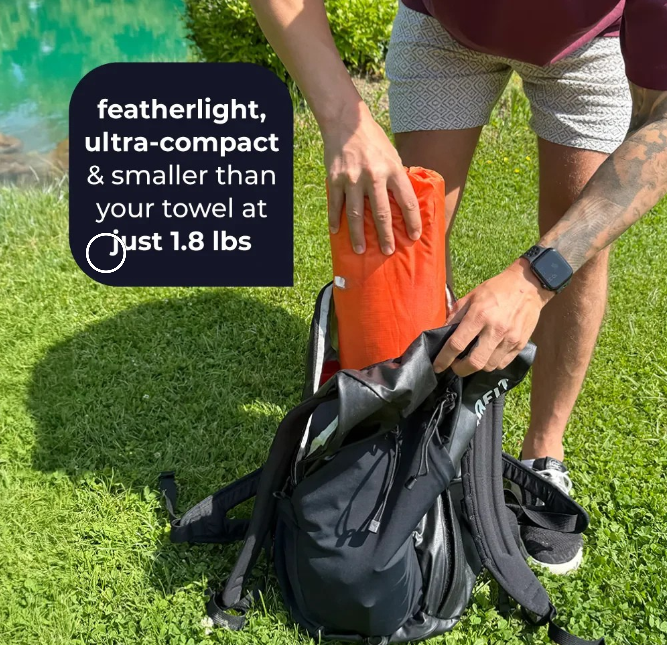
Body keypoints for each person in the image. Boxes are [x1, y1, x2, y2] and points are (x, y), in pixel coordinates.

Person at [248, 0, 667, 574]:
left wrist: (537, 277)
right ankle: (404, 436)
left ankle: (544, 450)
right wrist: (344, 117)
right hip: (443, 27)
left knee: (579, 241)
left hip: (588, 44)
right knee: (409, 233)